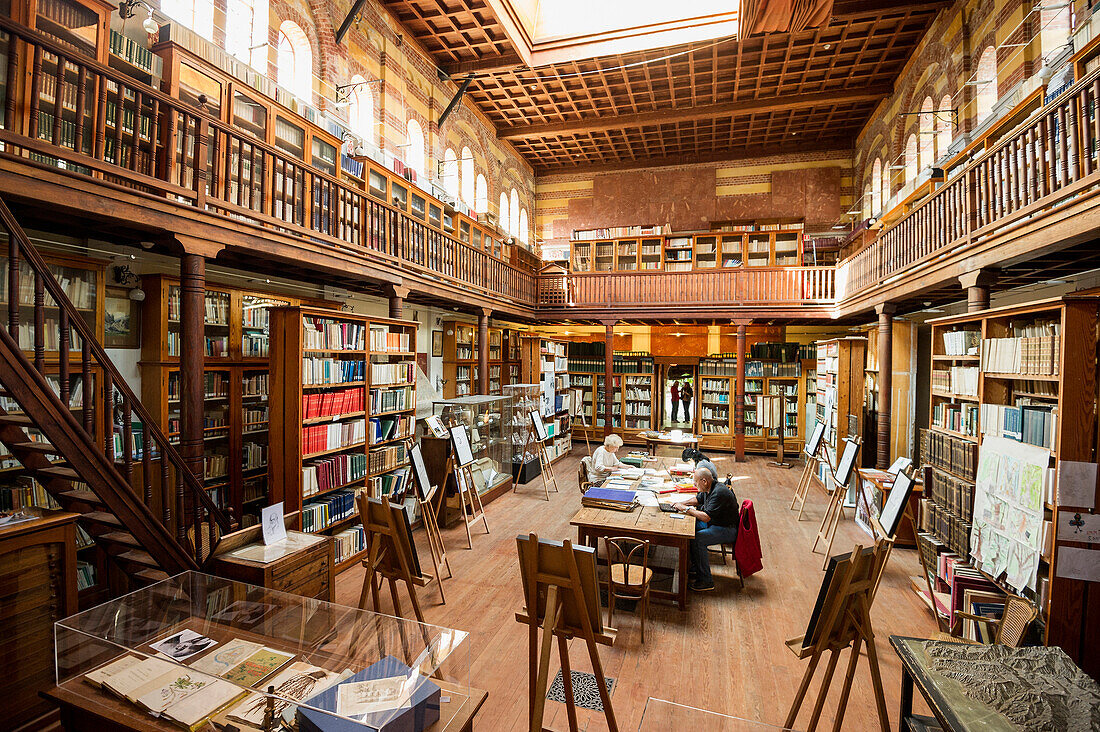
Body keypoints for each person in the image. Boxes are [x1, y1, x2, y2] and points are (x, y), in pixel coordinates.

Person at [673, 460, 739, 592]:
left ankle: (706, 580)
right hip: (716, 522)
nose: (694, 484)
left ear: (704, 481)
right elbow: (697, 500)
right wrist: (680, 503)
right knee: (690, 529)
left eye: (696, 482)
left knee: (698, 539)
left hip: (727, 528)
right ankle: (695, 565)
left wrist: (686, 509)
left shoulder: (719, 492)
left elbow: (706, 516)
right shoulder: (709, 486)